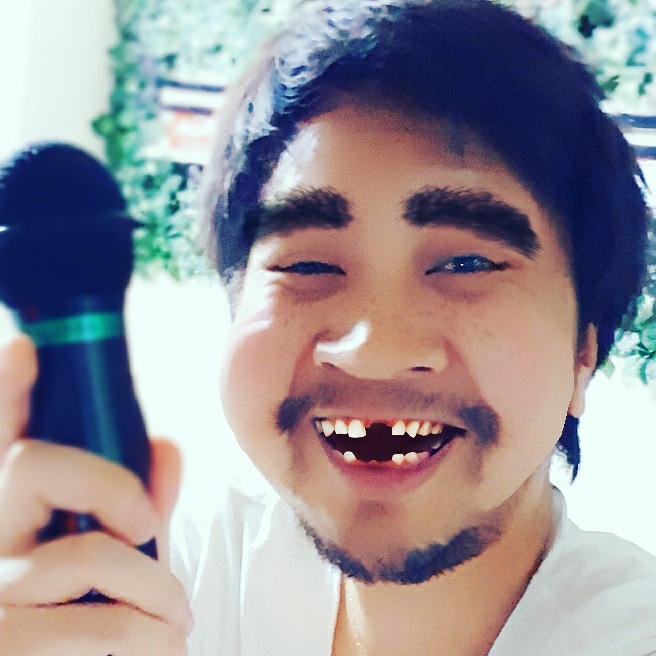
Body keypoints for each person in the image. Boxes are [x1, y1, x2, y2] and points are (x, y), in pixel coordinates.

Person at [0, 0, 655, 654]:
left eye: (467, 263)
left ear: (583, 353)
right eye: (308, 264)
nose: (372, 350)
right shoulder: (166, 584)